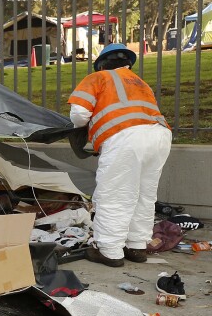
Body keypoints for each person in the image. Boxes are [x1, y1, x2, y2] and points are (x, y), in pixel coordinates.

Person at [68, 43, 171, 267]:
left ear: (102, 63)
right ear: (127, 64)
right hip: (159, 135)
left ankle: (109, 250)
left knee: (115, 193)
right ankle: (136, 246)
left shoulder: (98, 78)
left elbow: (79, 114)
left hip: (125, 137)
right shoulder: (140, 82)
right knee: (144, 194)